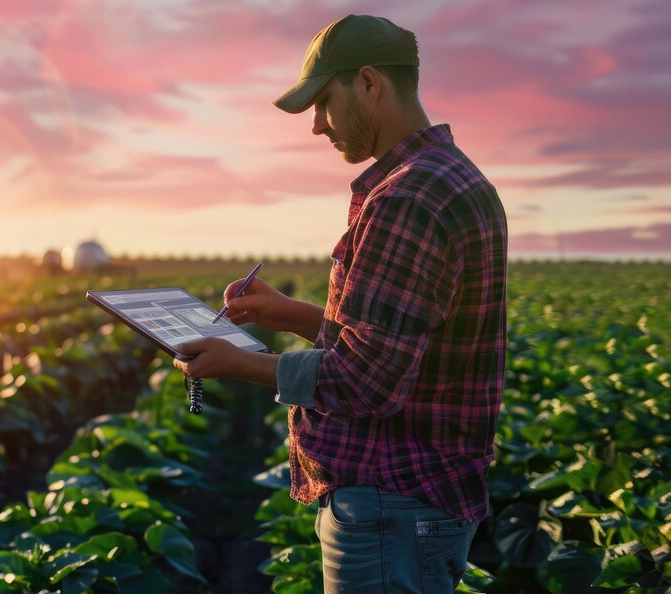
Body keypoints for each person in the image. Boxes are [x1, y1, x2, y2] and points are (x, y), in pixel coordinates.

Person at [173, 14, 507, 593]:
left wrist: (237, 363)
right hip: (415, 501)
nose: (318, 126)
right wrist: (291, 315)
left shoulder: (406, 197)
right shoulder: (451, 178)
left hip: (389, 503)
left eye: (325, 102)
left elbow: (367, 381)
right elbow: (402, 342)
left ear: (370, 83)